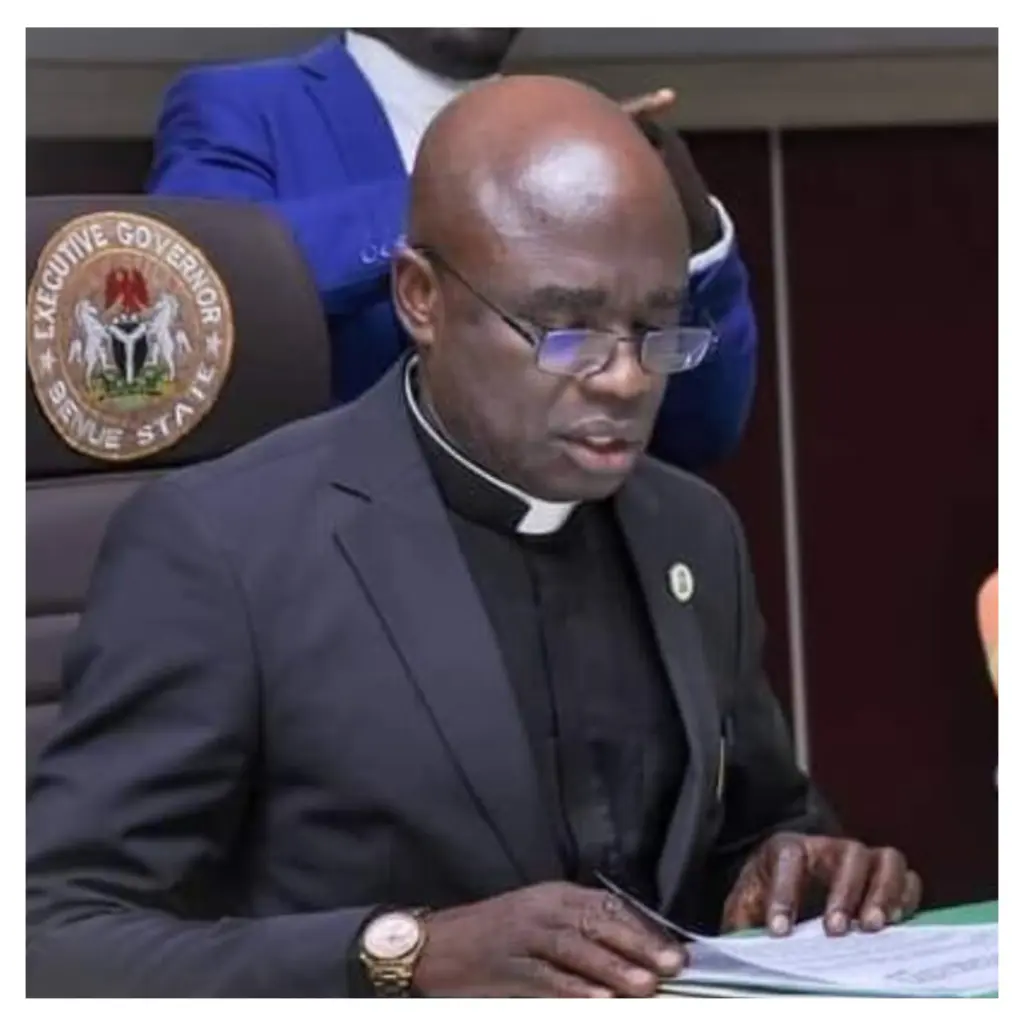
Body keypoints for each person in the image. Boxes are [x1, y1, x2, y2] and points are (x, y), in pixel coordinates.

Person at [28, 76, 921, 999]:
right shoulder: (223, 545)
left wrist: (802, 866)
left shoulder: (692, 530)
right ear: (421, 297)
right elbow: (51, 938)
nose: (624, 379)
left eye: (657, 329)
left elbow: (755, 824)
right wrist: (402, 954)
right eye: (566, 330)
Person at [147, 29, 758, 472]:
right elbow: (210, 287)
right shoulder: (238, 106)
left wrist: (700, 238)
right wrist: (480, 183)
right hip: (323, 557)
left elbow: (703, 431)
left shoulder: (586, 143)